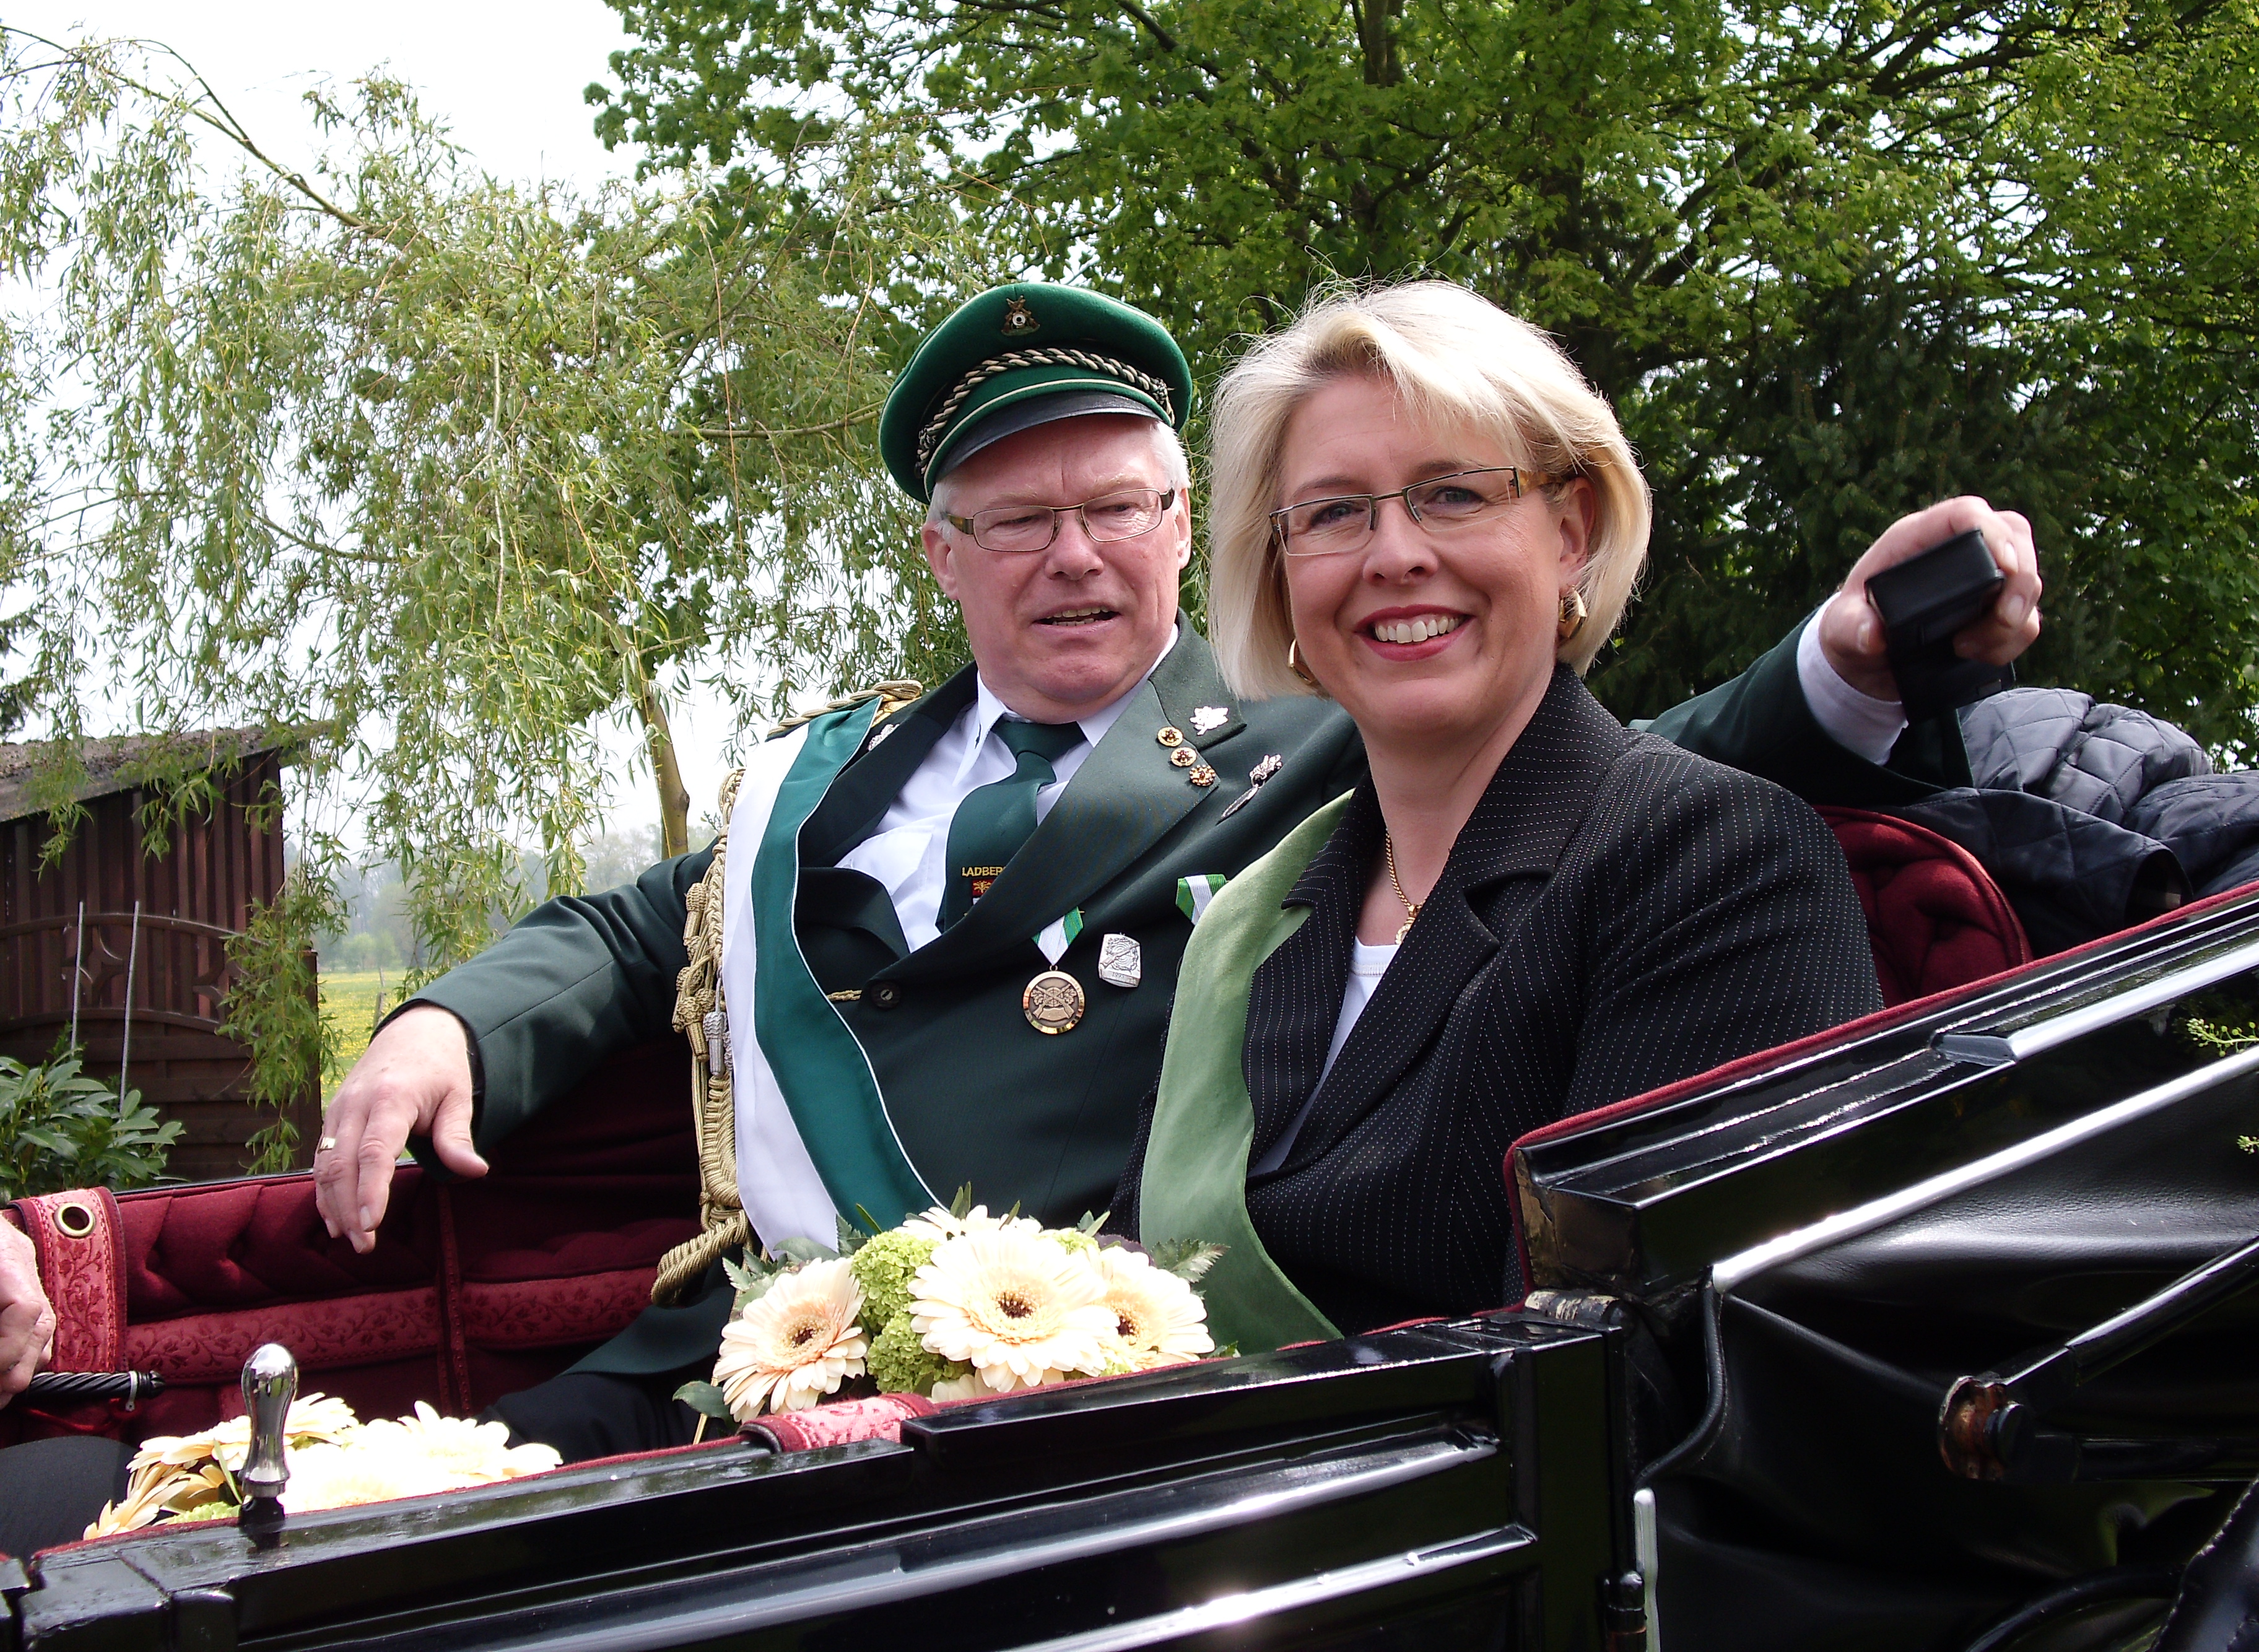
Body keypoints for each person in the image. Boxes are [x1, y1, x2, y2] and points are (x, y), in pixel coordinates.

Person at [0, 281, 2039, 1508]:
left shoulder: (1311, 735)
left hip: (1046, 1390)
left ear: (1184, 530)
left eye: (1116, 508)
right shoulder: (821, 777)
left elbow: (1582, 782)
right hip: (732, 1341)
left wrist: (1840, 666)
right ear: (943, 555)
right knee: (333, 1528)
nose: (1074, 558)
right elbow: (640, 933)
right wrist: (449, 1015)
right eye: (1017, 519)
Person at [1113, 280, 1887, 1345]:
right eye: (1334, 513)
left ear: (1570, 532)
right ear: (1281, 576)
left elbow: (1633, 1365)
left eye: (1453, 494)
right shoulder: (1255, 922)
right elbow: (1130, 1287)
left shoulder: (1717, 862)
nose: (1395, 554)